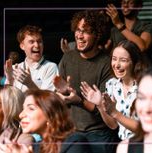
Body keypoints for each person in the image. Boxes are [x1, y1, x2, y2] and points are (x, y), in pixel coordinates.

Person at [54, 10, 119, 153]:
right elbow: (59, 99)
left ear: (98, 34)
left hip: (99, 133)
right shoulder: (68, 58)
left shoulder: (106, 64)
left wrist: (79, 101)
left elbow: (106, 110)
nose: (80, 36)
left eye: (86, 31)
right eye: (78, 30)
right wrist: (63, 93)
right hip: (73, 131)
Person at [80, 40, 145, 140]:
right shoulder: (112, 84)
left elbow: (143, 128)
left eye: (123, 60)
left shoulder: (145, 86)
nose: (117, 65)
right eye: (114, 59)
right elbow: (113, 125)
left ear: (134, 62)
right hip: (124, 144)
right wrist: (100, 105)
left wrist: (115, 113)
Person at [0, 89, 91, 153]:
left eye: (30, 108)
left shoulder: (75, 142)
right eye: (23, 109)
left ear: (50, 114)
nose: (21, 115)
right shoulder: (36, 147)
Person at [4, 25, 58, 92]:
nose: (37, 45)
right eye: (31, 42)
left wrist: (30, 84)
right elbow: (6, 99)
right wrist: (9, 80)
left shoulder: (50, 67)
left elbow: (47, 100)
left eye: (39, 41)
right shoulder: (15, 69)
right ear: (22, 46)